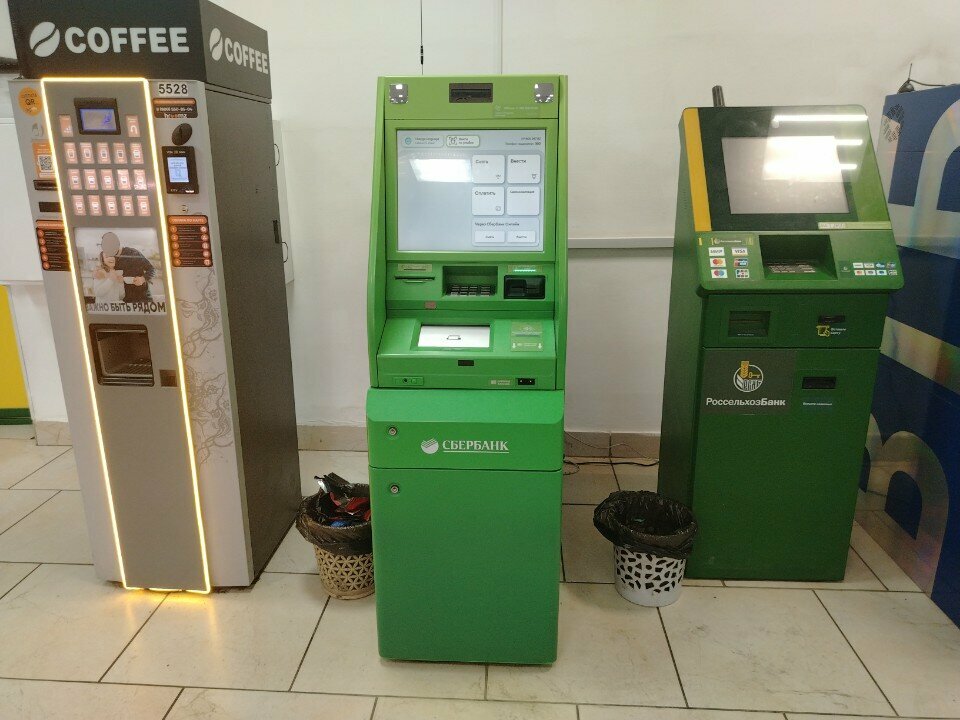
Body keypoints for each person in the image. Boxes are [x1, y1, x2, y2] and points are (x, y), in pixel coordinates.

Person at [100, 231, 156, 303]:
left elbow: (152, 269)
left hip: (143, 299)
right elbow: (105, 271)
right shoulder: (111, 259)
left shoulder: (133, 253)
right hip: (126, 301)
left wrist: (142, 279)